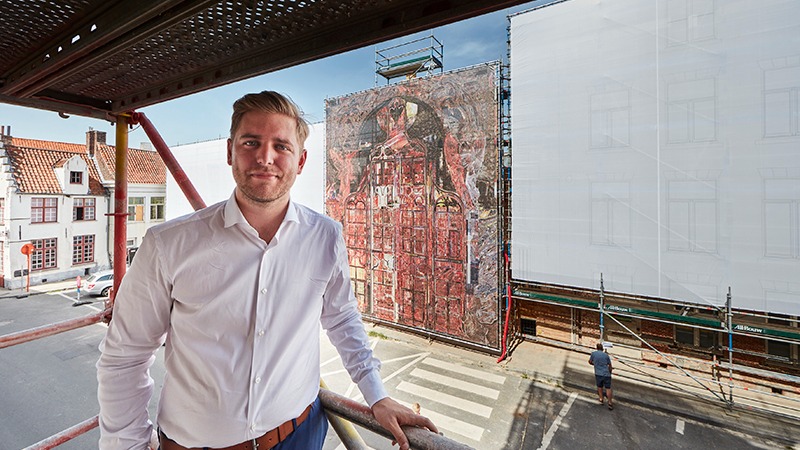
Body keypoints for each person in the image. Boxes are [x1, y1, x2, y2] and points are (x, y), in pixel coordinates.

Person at [97, 91, 437, 450]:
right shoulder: (168, 244)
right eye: (251, 142)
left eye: (281, 146)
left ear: (301, 160)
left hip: (300, 436)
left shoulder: (324, 236)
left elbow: (341, 319)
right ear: (230, 150)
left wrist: (376, 395)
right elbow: (125, 357)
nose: (265, 157)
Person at [589, 342, 614, 410]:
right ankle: (610, 402)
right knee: (608, 388)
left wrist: (595, 364)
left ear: (596, 348)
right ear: (602, 348)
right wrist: (610, 372)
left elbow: (590, 361)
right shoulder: (606, 355)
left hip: (598, 373)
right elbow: (610, 365)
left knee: (600, 387)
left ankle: (601, 399)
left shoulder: (594, 354)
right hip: (606, 374)